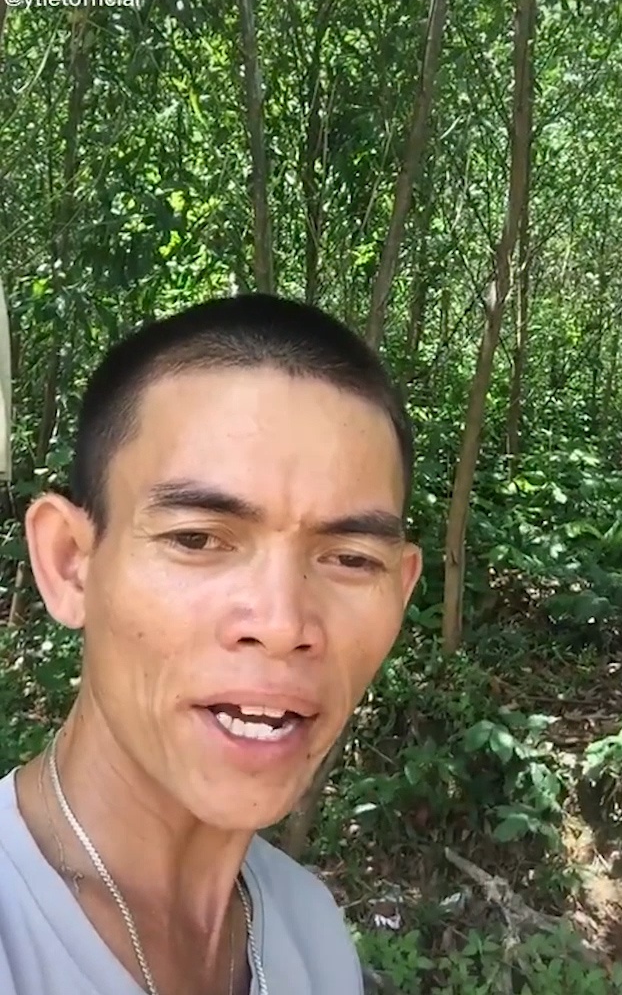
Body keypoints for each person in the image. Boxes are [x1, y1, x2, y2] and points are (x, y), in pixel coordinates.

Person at [0, 295, 424, 995]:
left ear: (400, 592)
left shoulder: (310, 932)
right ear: (70, 563)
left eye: (350, 559)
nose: (284, 623)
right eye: (197, 539)